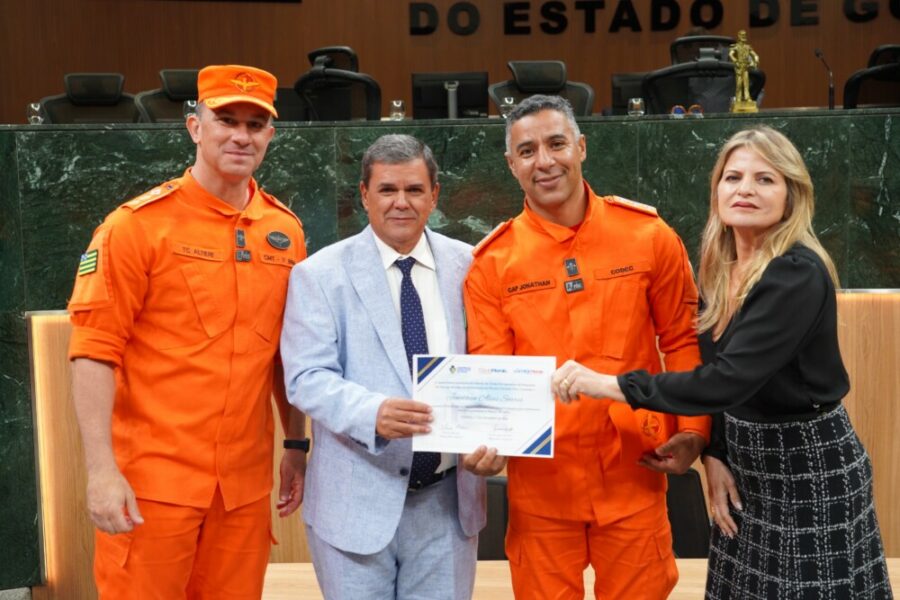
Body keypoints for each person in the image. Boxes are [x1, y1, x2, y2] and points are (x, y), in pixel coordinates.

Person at [552, 126, 894, 599]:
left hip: (809, 469)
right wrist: (715, 453)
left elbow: (726, 381)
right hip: (746, 467)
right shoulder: (719, 268)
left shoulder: (796, 272)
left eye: (765, 180)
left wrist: (611, 385)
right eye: (733, 178)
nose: (746, 190)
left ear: (792, 196)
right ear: (717, 192)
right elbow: (715, 371)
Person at [67, 64, 308, 599]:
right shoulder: (136, 227)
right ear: (195, 126)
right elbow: (93, 352)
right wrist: (101, 472)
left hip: (242, 494)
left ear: (271, 135)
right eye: (226, 119)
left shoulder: (284, 231)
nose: (241, 135)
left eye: (255, 124)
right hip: (153, 488)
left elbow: (284, 357)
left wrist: (296, 443)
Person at [463, 94, 711, 600]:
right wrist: (485, 442)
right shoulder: (493, 261)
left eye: (556, 144)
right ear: (511, 166)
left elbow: (682, 339)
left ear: (581, 146)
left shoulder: (647, 235)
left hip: (637, 469)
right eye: (527, 151)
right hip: (542, 482)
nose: (545, 161)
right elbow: (492, 370)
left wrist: (693, 432)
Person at [281, 134, 498, 600]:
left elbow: (492, 365)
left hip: (447, 507)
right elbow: (305, 377)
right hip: (354, 504)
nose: (402, 202)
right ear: (364, 195)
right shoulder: (318, 275)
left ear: (435, 194)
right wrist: (371, 412)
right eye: (387, 190)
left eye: (415, 190)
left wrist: (497, 437)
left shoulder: (472, 266)